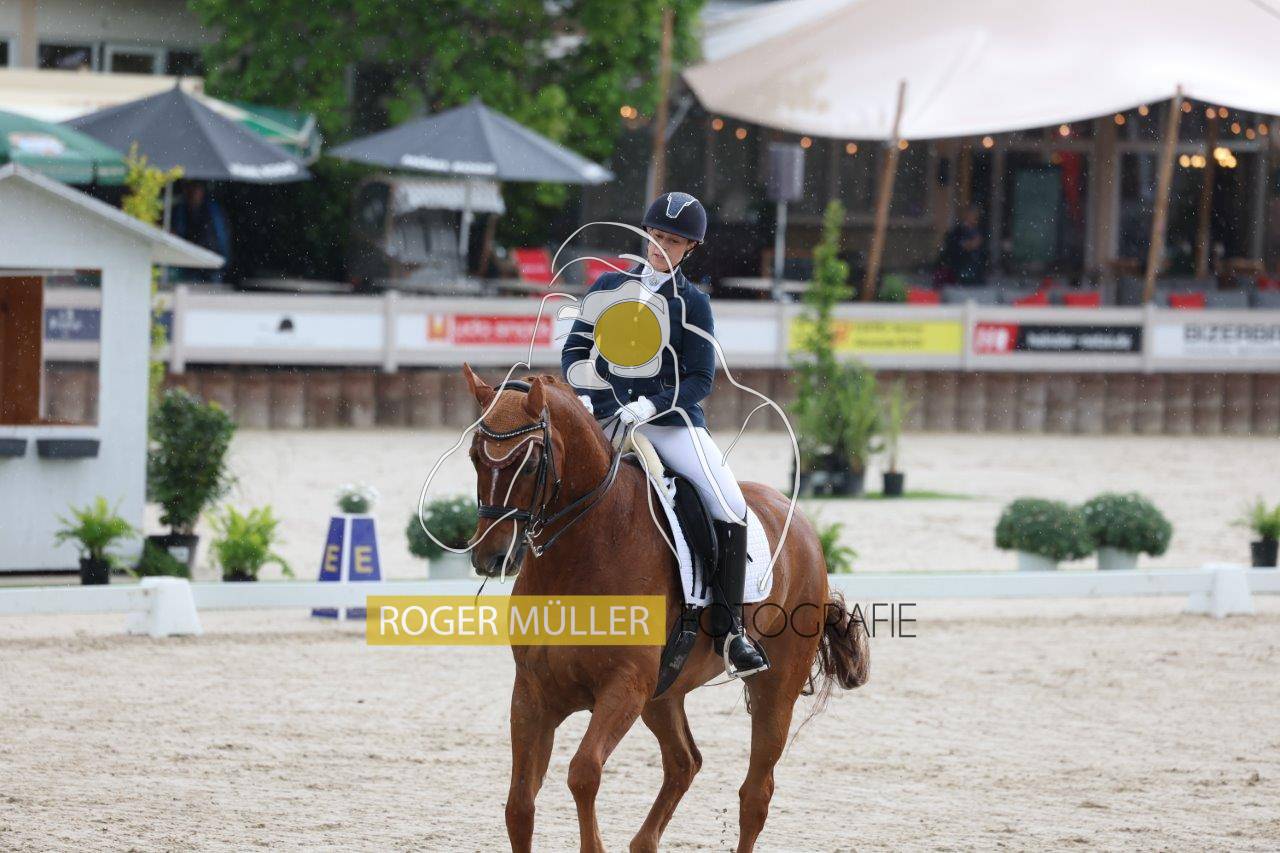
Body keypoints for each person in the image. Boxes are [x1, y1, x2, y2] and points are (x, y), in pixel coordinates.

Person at [559, 191, 769, 679]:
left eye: (673, 241)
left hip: (670, 424)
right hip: (606, 417)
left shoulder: (693, 303)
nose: (660, 247)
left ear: (689, 248)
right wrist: (589, 395)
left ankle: (731, 630)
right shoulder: (608, 286)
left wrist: (651, 404)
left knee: (728, 503)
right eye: (655, 236)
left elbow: (700, 378)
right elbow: (575, 351)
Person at [170, 182, 231, 283]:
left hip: (211, 265)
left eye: (196, 189)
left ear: (202, 191)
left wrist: (225, 262)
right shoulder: (180, 211)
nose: (192, 193)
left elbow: (222, 238)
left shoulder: (213, 212)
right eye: (190, 189)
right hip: (187, 265)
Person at [938, 205, 986, 285]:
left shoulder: (978, 230)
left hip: (976, 269)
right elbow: (953, 246)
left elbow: (982, 247)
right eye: (972, 215)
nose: (975, 218)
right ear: (967, 215)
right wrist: (968, 245)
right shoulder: (958, 231)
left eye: (976, 216)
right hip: (961, 267)